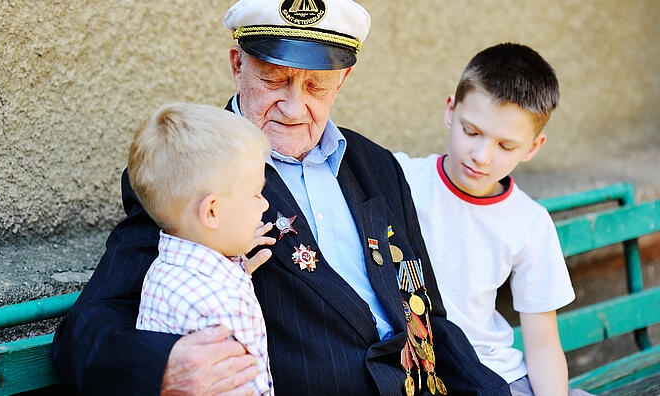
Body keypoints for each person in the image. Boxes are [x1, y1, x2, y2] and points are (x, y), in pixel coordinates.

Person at [53, 1, 511, 395]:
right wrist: (163, 367)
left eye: (316, 86)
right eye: (274, 79)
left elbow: (430, 315)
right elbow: (89, 327)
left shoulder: (377, 165)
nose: (295, 108)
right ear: (238, 65)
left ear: (343, 78)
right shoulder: (190, 169)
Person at [395, 43, 591, 396]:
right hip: (417, 374)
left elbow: (543, 344)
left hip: (497, 375)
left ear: (533, 147)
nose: (481, 156)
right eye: (471, 131)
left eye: (506, 146)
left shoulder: (529, 222)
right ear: (451, 111)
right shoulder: (401, 180)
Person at [128, 103, 274, 395]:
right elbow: (242, 386)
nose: (264, 204)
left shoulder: (163, 271)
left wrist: (238, 267)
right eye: (256, 193)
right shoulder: (223, 305)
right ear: (211, 212)